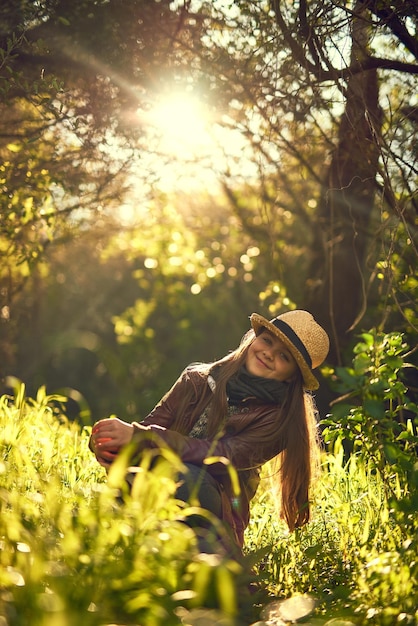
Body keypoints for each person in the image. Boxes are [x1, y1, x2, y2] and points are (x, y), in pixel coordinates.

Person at [89, 310, 329, 556]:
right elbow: (151, 426)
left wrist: (141, 437)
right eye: (267, 341)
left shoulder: (278, 421)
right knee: (125, 448)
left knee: (189, 477)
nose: (269, 353)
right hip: (156, 480)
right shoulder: (196, 379)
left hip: (211, 503)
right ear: (253, 339)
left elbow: (222, 456)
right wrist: (112, 440)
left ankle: (202, 550)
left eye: (283, 357)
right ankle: (138, 528)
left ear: (291, 378)